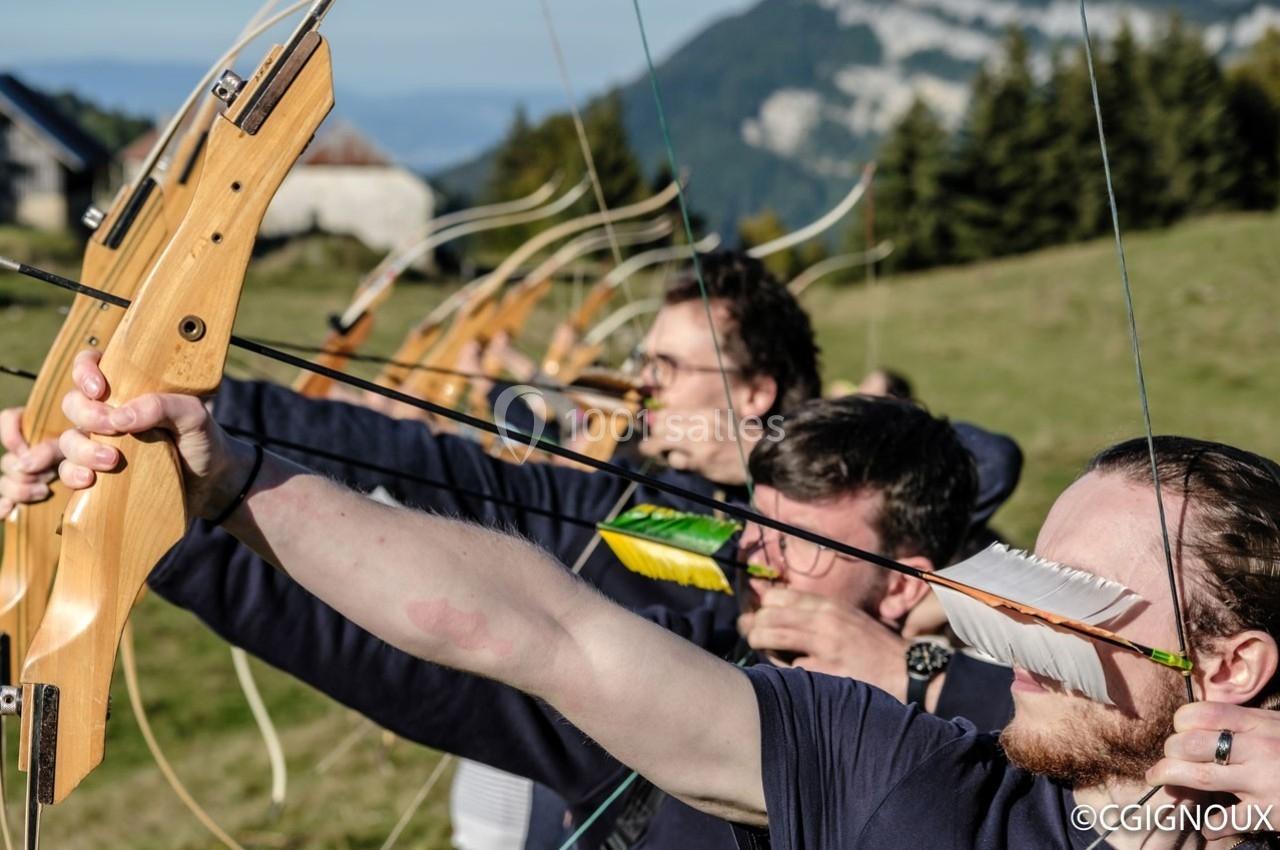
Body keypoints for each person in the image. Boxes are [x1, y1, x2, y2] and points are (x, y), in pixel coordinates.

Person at [57, 357, 1280, 849]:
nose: (761, 546)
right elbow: (529, 608)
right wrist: (214, 486)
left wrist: (909, 668)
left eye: (1075, 598)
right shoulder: (904, 776)